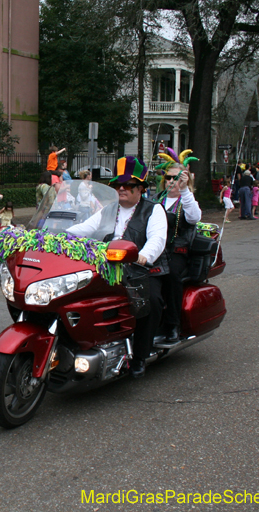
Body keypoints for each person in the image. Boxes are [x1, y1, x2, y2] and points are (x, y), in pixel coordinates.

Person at [66, 156, 167, 378]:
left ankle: (140, 356)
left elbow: (157, 239)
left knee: (150, 302)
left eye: (128, 185)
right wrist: (57, 234)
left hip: (142, 270)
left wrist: (143, 256)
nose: (121, 188)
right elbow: (86, 228)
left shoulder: (154, 210)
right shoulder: (109, 209)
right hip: (110, 266)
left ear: (140, 188)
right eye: (118, 184)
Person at [155, 163, 202, 345]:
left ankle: (172, 324)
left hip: (177, 250)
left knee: (171, 274)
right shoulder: (156, 199)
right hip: (155, 249)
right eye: (168, 177)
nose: (171, 181)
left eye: (176, 178)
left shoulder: (187, 200)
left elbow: (194, 217)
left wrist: (184, 190)